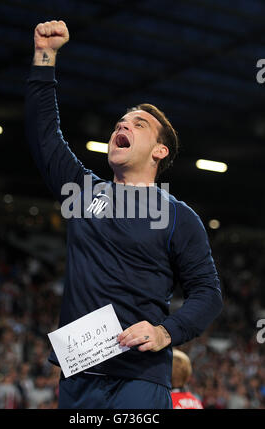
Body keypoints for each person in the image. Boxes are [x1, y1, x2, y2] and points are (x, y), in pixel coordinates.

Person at [25, 20, 223, 409]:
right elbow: (43, 135)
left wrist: (166, 332)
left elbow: (208, 293)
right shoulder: (82, 194)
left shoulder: (177, 216)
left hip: (139, 376)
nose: (123, 124)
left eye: (138, 123)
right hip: (79, 374)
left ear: (159, 151)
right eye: (121, 121)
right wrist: (44, 56)